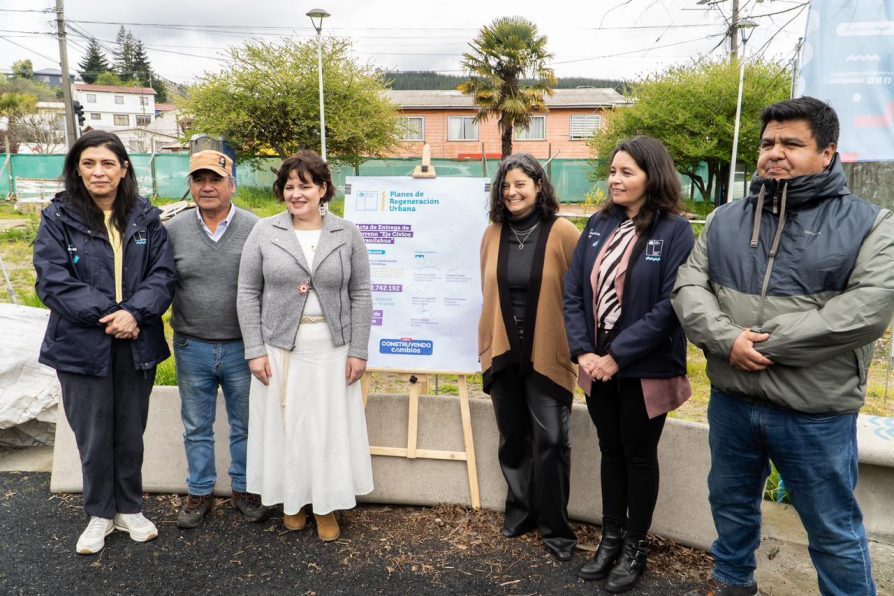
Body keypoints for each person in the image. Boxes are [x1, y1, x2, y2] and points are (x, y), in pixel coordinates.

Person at [672, 97, 894, 596]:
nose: (775, 152)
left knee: (833, 531)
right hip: (733, 403)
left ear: (828, 153)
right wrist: (729, 340)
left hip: (814, 412)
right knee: (730, 510)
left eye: (792, 143)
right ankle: (733, 585)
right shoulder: (726, 219)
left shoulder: (871, 224)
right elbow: (689, 287)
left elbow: (869, 308)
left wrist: (768, 345)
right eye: (768, 142)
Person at [33, 130, 176, 554]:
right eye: (90, 163)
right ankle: (99, 513)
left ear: (124, 169)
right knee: (93, 434)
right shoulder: (58, 219)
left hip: (137, 341)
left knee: (130, 430)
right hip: (81, 345)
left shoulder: (147, 218)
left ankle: (130, 507)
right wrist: (112, 315)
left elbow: (163, 276)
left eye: (108, 163)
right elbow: (53, 281)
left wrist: (135, 313)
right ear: (78, 168)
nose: (99, 171)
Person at [563, 136, 694, 593]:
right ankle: (610, 538)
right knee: (610, 451)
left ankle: (635, 546)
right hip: (595, 365)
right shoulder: (599, 223)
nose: (615, 180)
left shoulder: (675, 231)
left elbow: (671, 305)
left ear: (651, 176)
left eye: (627, 172)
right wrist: (584, 351)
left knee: (638, 456)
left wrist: (618, 357)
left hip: (643, 367)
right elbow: (575, 291)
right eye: (613, 172)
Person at [236, 150, 373, 542]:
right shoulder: (265, 231)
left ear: (323, 189)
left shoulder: (347, 233)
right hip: (279, 348)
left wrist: (358, 349)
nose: (297, 194)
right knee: (287, 427)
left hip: (332, 348)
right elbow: (247, 292)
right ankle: (293, 503)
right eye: (289, 187)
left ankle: (326, 505)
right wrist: (254, 350)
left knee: (326, 429)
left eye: (305, 186)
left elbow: (361, 292)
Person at [478, 153, 581, 561]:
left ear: (539, 186)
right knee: (513, 436)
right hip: (504, 350)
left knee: (553, 441)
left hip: (547, 351)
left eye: (520, 184)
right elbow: (488, 294)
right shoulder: (492, 233)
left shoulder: (564, 232)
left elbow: (578, 295)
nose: (512, 192)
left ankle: (556, 527)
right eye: (505, 186)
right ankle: (520, 513)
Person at [167, 150, 268, 528]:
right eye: (198, 180)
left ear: (232, 185)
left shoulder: (257, 228)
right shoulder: (173, 230)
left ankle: (245, 487)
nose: (206, 187)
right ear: (191, 185)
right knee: (196, 425)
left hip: (244, 347)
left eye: (215, 179)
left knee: (246, 424)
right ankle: (199, 492)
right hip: (192, 344)